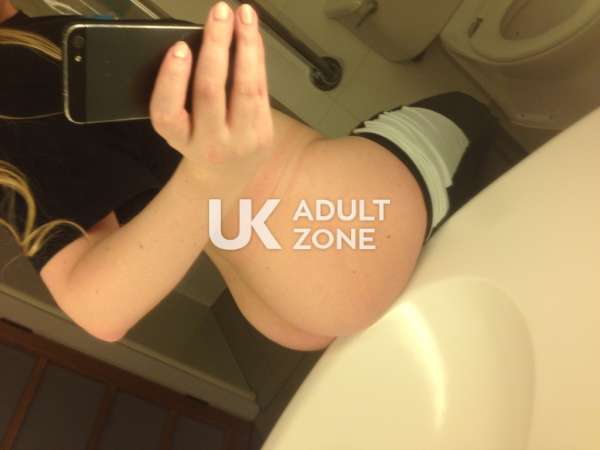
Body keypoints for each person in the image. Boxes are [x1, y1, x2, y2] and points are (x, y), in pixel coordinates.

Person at [0, 1, 499, 351]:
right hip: (338, 229)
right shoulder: (11, 69)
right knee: (471, 110)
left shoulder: (26, 44)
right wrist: (209, 180)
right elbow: (97, 308)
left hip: (294, 279)